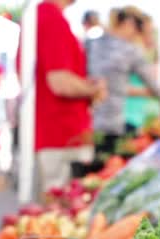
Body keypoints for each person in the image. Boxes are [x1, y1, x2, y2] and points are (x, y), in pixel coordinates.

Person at [28, 0, 105, 192]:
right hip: (61, 135)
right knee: (60, 205)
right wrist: (93, 89)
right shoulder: (51, 17)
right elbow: (60, 82)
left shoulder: (45, 15)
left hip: (59, 134)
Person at [88, 6, 160, 155]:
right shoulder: (129, 50)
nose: (137, 35)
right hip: (115, 123)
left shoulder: (92, 43)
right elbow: (151, 83)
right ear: (130, 23)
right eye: (139, 30)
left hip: (91, 122)